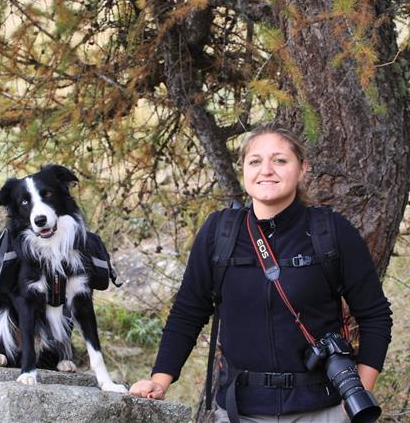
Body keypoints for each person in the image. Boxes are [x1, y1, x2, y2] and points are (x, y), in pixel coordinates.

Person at [129, 125, 393, 422]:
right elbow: (188, 313)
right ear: (243, 169)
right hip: (240, 412)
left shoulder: (330, 232)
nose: (266, 170)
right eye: (255, 161)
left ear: (302, 168)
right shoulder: (220, 233)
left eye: (280, 160)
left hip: (323, 411)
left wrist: (357, 395)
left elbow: (375, 315)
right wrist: (160, 380)